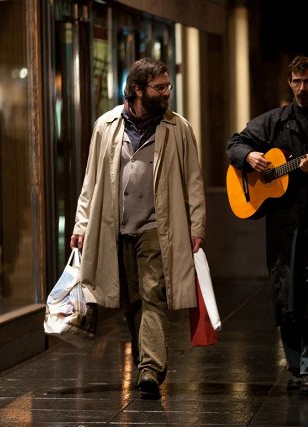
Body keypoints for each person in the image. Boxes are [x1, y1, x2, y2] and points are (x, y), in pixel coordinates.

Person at [70, 58, 206, 399]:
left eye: (167, 86)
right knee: (132, 301)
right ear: (136, 90)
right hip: (117, 226)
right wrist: (81, 224)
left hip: (158, 227)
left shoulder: (178, 128)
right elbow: (92, 181)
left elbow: (194, 180)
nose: (166, 93)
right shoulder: (107, 125)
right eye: (159, 87)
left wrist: (197, 225)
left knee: (153, 293)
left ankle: (149, 369)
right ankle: (149, 359)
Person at [226, 55, 308, 394]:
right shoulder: (275, 122)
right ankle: (295, 365)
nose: (302, 88)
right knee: (285, 297)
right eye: (296, 81)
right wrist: (249, 157)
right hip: (282, 227)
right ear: (289, 83)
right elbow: (235, 144)